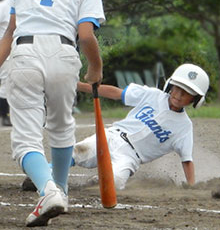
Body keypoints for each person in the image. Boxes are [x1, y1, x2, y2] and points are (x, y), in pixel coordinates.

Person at [0, 0, 105, 227]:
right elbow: (86, 36)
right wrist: (95, 67)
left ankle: (49, 193)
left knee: (26, 138)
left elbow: (10, 32)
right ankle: (61, 191)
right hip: (64, 52)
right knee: (62, 127)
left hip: (26, 52)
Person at [23, 63, 210, 191]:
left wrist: (191, 187)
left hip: (130, 157)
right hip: (112, 136)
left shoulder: (184, 127)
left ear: (195, 100)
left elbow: (186, 159)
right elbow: (117, 94)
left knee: (115, 182)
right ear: (170, 85)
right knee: (79, 151)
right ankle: (44, 175)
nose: (178, 94)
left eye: (186, 93)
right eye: (177, 88)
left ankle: (95, 183)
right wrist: (79, 85)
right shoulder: (152, 95)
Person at [0, 0, 15, 127]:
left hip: (21, 48)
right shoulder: (5, 6)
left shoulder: (27, 3)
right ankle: (5, 115)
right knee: (6, 81)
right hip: (5, 49)